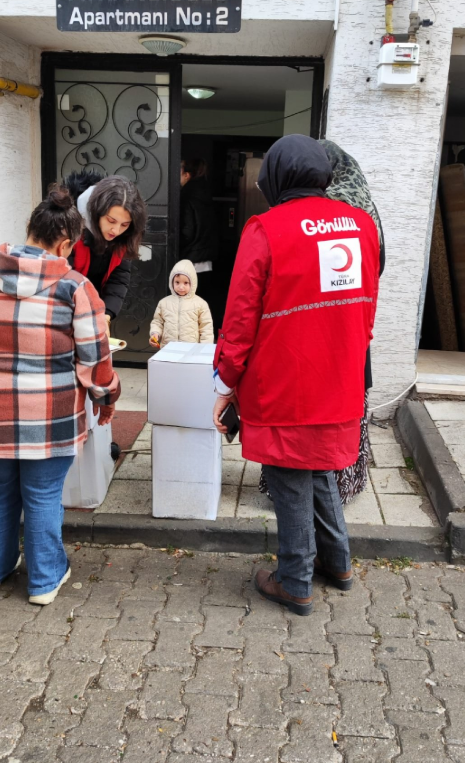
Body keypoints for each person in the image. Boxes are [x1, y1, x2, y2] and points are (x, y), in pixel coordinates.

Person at [213, 134, 380, 616]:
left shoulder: (267, 229)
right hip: (340, 376)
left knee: (288, 475)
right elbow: (368, 306)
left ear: (277, 177)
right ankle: (338, 563)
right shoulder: (361, 226)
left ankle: (295, 580)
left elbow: (241, 317)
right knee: (320, 467)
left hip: (286, 380)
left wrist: (225, 381)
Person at [0, 187, 121, 605]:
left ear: (29, 230)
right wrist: (105, 398)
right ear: (65, 244)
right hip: (51, 415)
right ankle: (43, 580)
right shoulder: (75, 288)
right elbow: (96, 362)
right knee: (42, 494)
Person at [258, 139, 386, 506]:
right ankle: (338, 493)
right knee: (336, 424)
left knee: (303, 431)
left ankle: (304, 503)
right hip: (348, 333)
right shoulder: (364, 214)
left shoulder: (322, 214)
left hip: (312, 335)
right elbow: (374, 271)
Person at [65, 172, 147, 335]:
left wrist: (106, 314)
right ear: (96, 212)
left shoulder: (124, 237)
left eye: (124, 224)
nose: (116, 230)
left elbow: (119, 276)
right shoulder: (70, 227)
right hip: (66, 312)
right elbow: (63, 282)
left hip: (94, 310)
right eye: (111, 221)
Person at [149, 259, 214, 348]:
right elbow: (157, 322)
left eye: (186, 283)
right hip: (168, 349)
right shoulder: (164, 303)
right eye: (177, 282)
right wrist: (155, 333)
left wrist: (205, 349)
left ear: (193, 283)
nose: (181, 287)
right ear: (171, 282)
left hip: (191, 350)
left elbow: (206, 328)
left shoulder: (201, 304)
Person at [180, 158, 219, 296]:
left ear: (187, 175)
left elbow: (187, 231)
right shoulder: (205, 193)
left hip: (190, 258)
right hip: (205, 258)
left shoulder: (186, 196)